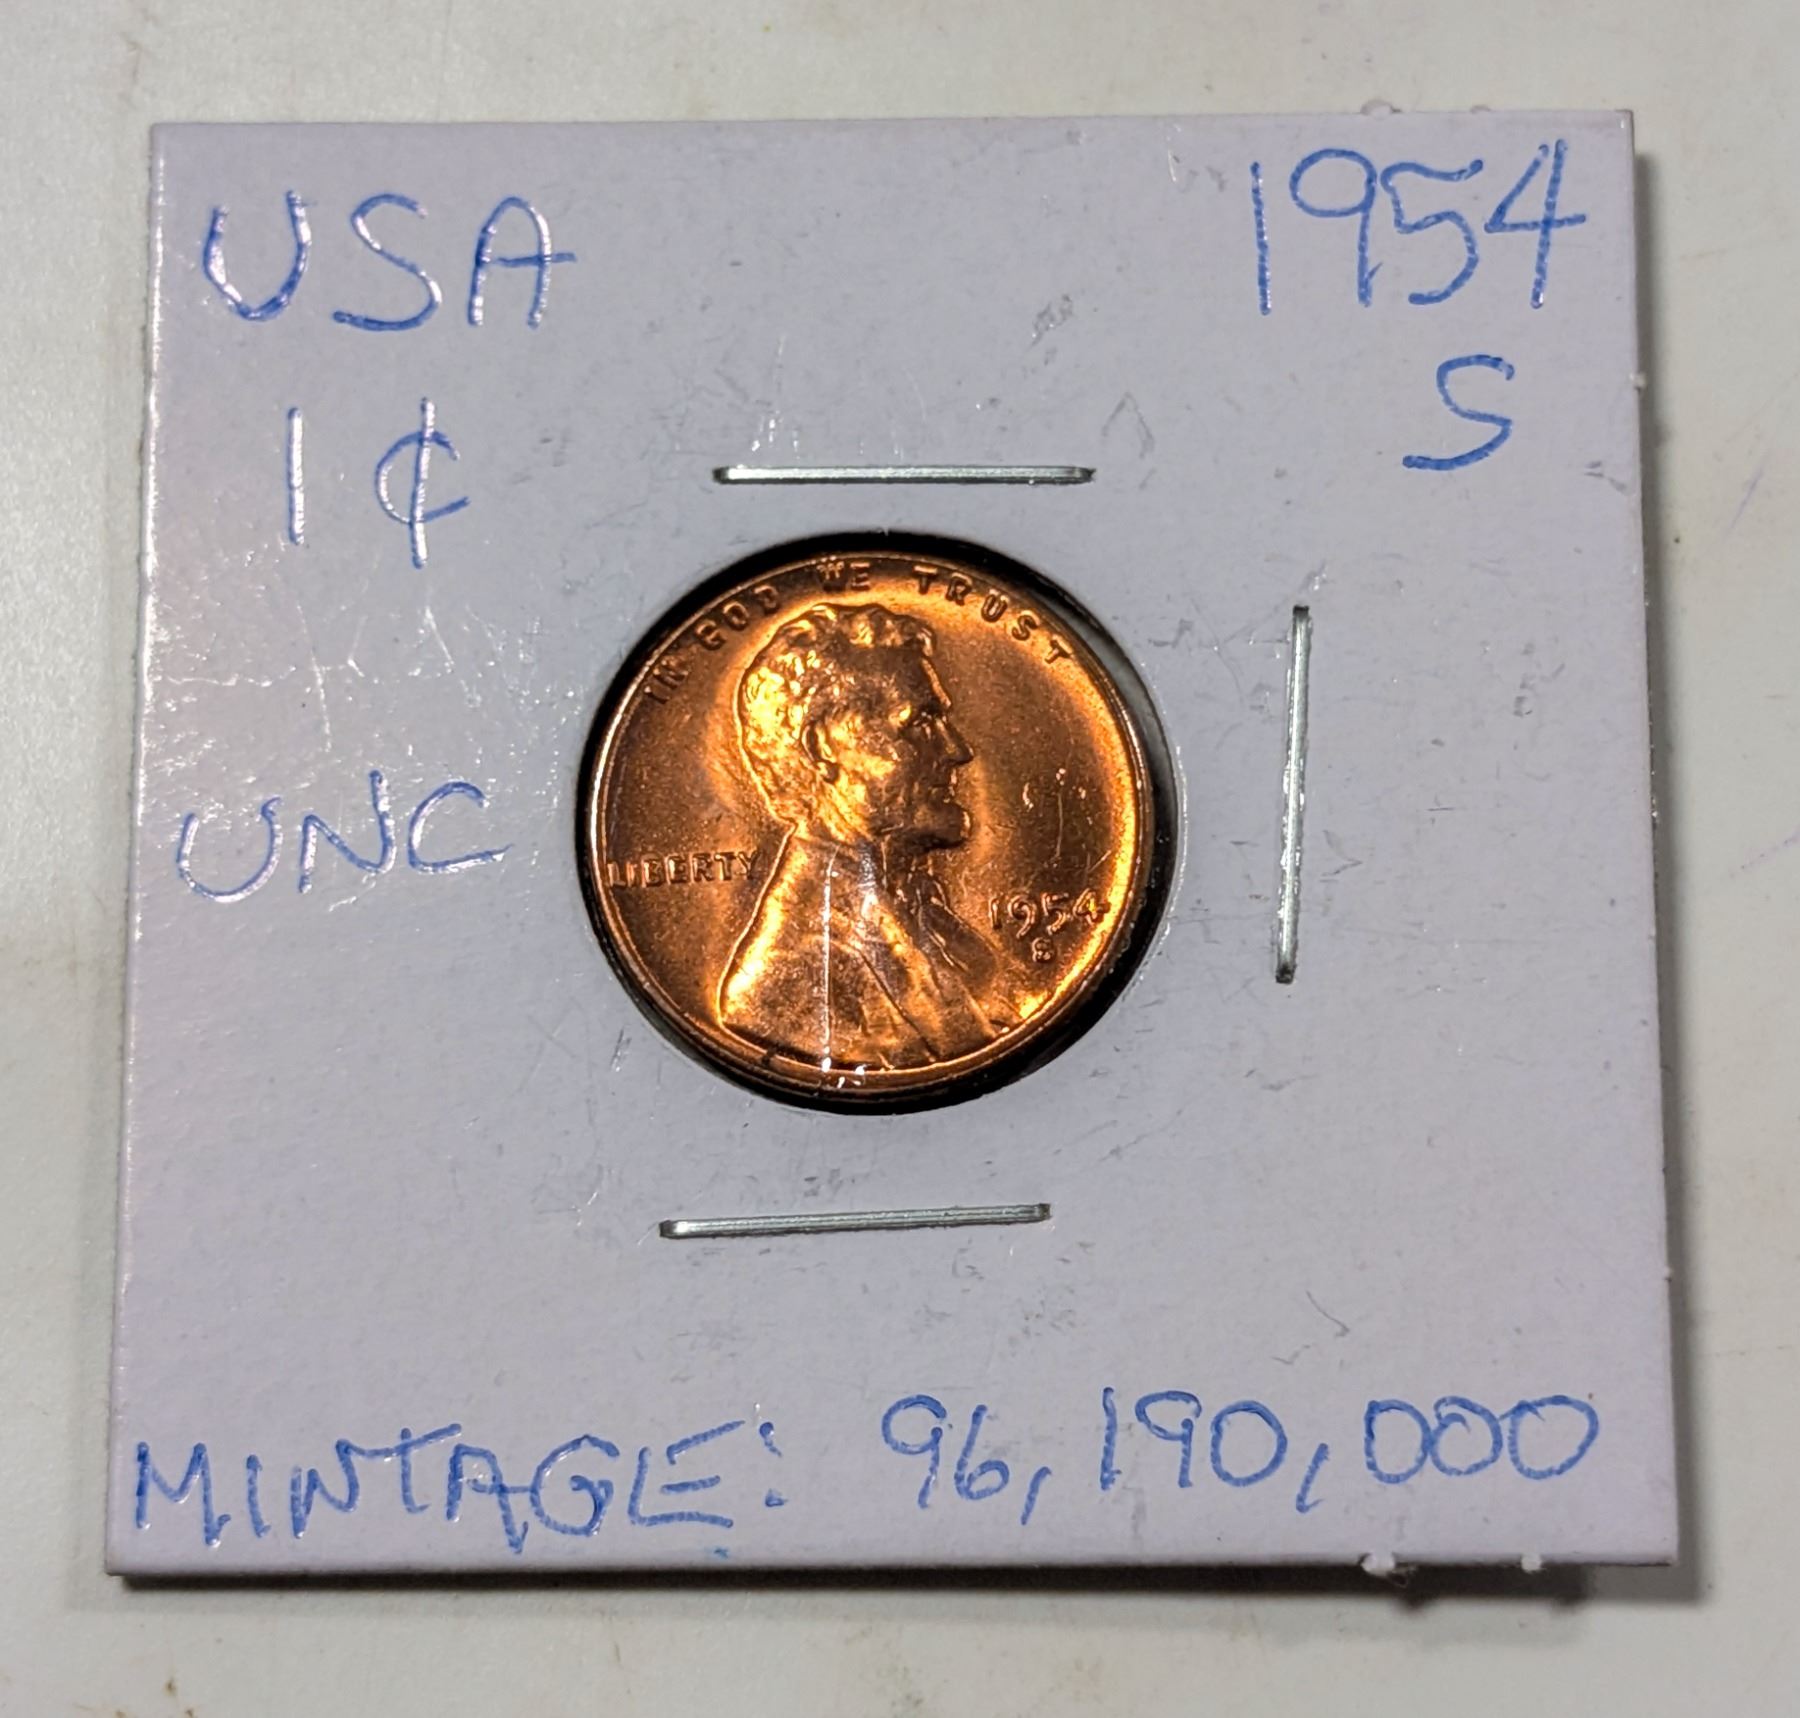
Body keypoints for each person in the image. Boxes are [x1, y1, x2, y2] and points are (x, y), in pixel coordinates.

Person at [720, 602, 1017, 1072]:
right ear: (823, 747)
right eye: (919, 725)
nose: (957, 750)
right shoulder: (784, 982)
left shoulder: (928, 919)